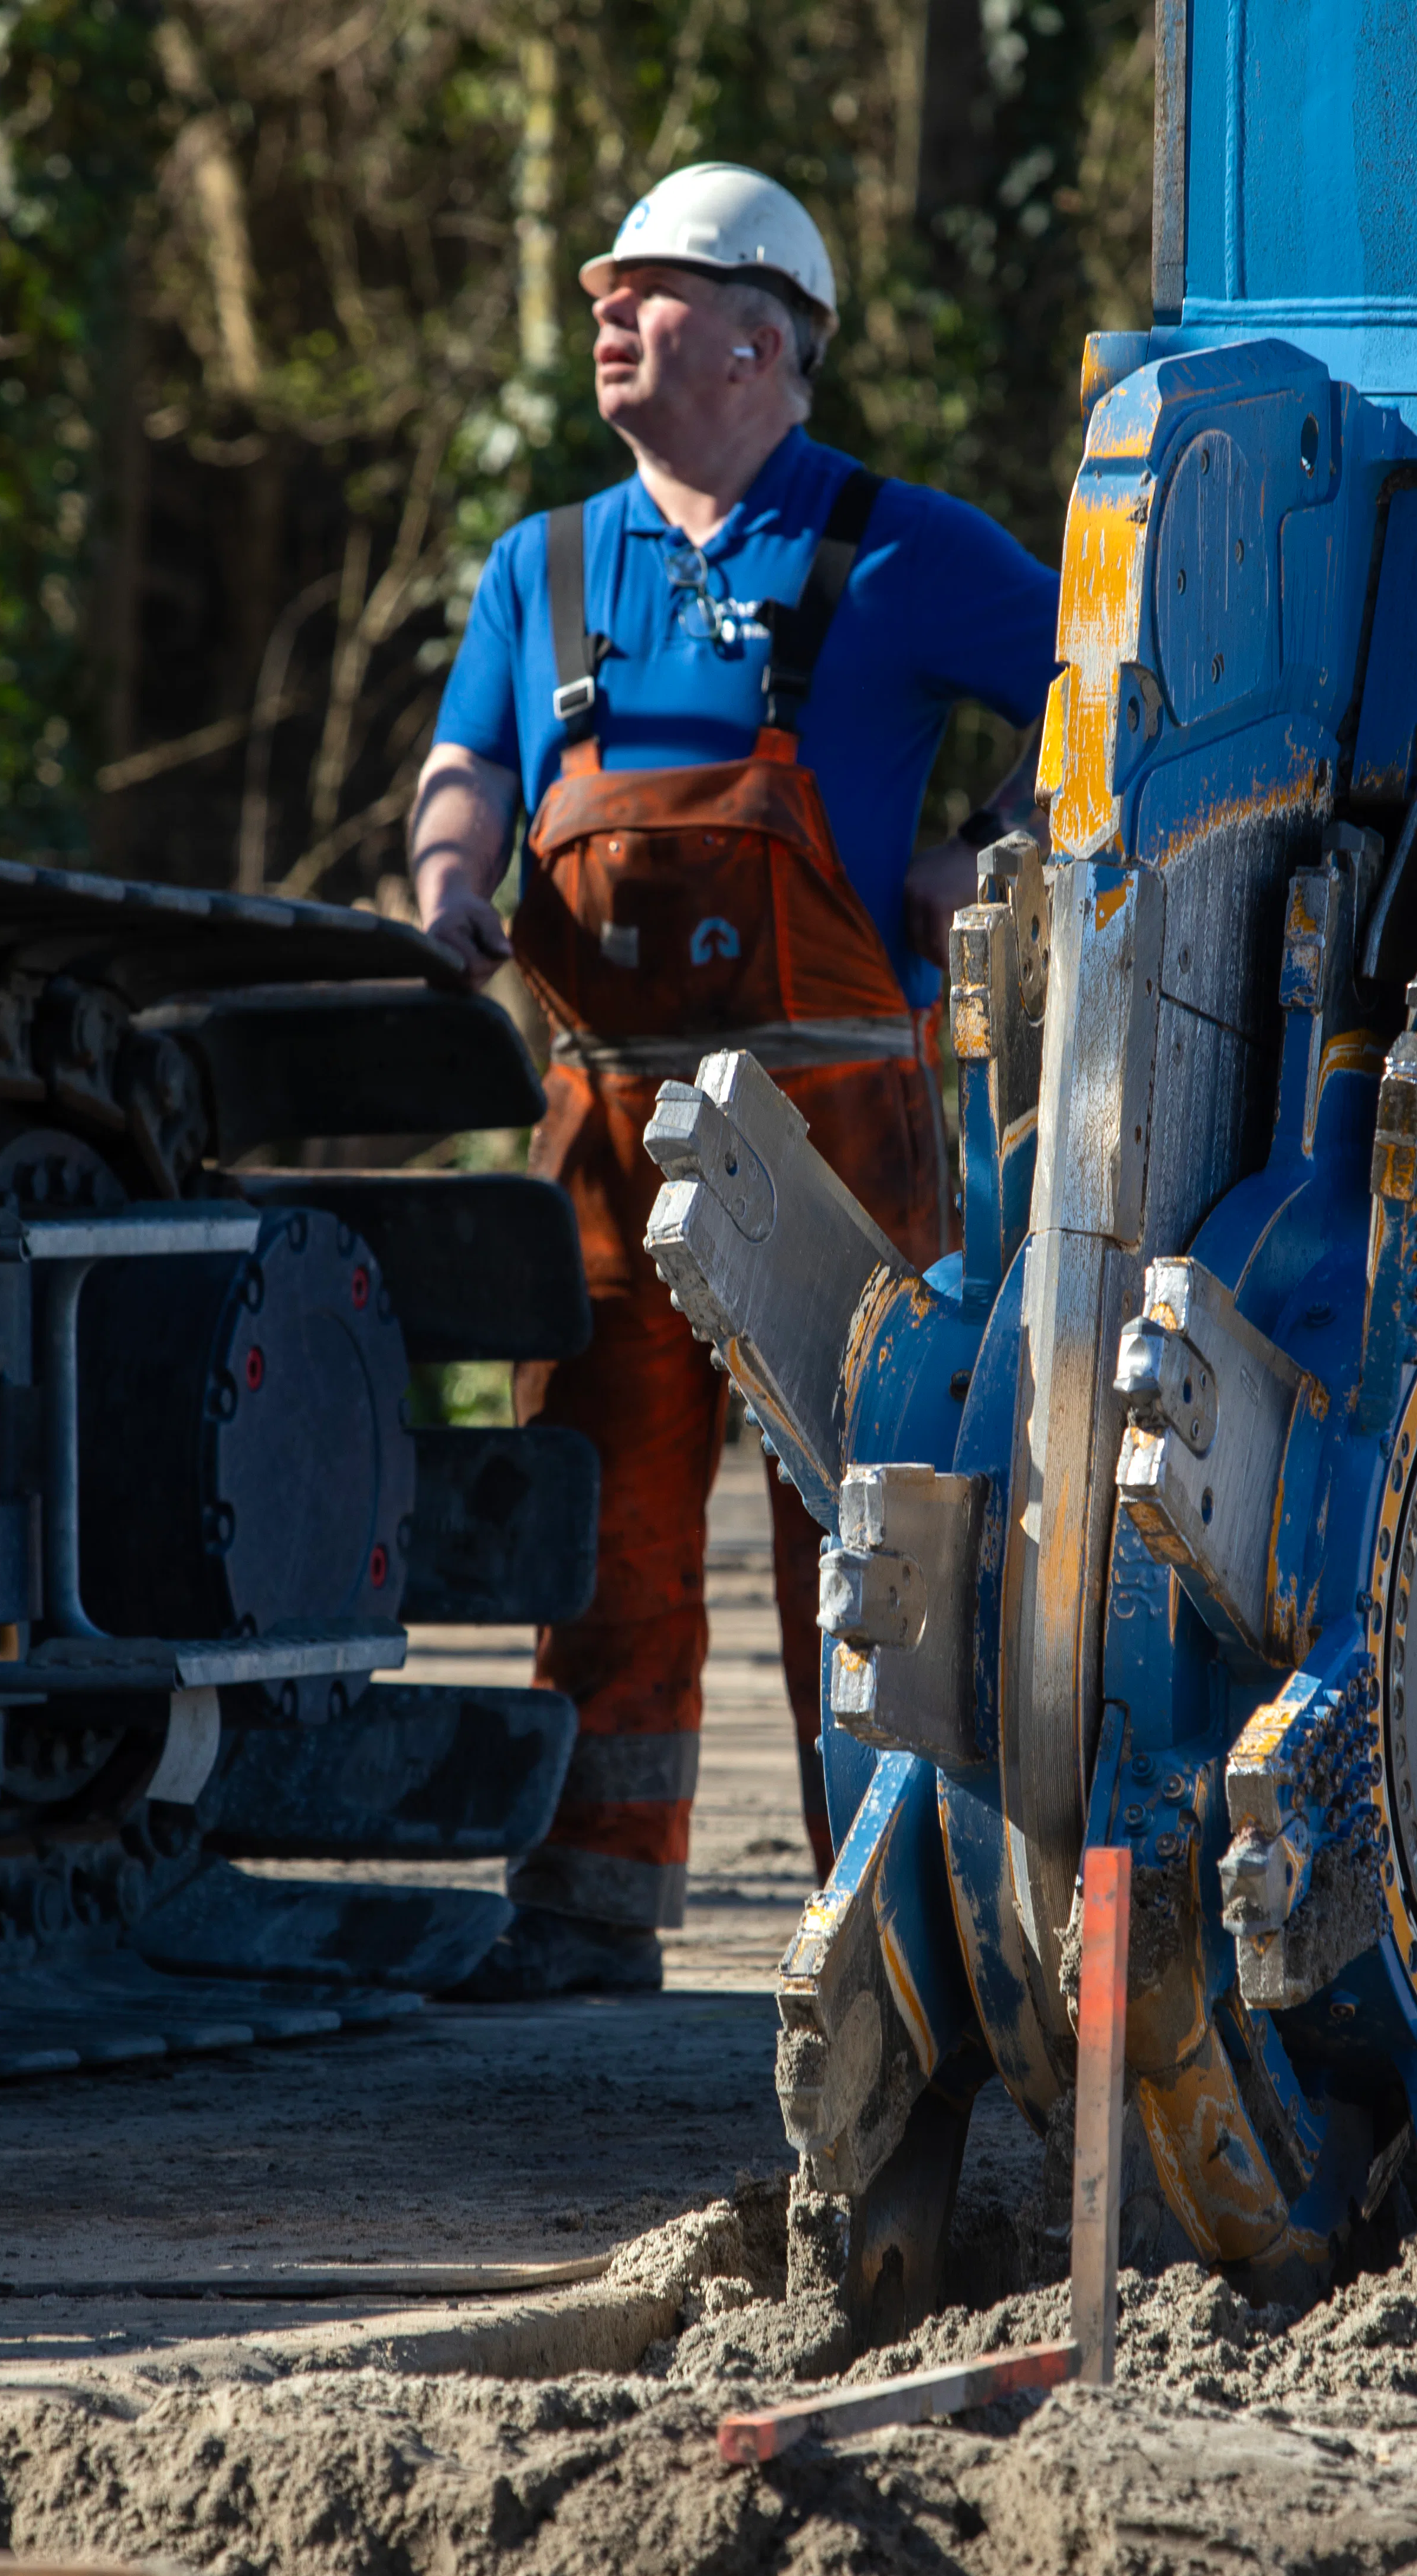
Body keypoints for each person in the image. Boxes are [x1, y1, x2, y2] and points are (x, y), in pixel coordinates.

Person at [411, 161, 1058, 1997]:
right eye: (604, 288)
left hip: (837, 1126)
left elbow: (1117, 679)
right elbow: (464, 763)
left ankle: (893, 1926)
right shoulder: (534, 566)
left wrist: (983, 855)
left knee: (859, 1541)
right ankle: (588, 1912)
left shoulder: (899, 547)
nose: (605, 310)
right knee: (601, 1517)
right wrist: (451, 878)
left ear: (764, 340)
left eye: (652, 289)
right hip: (603, 1122)